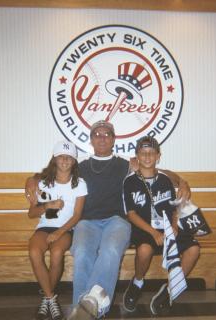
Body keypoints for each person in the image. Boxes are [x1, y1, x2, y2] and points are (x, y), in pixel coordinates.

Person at [25, 120, 191, 319]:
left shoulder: (126, 164)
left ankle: (92, 306)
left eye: (106, 134)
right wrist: (31, 180)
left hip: (117, 220)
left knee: (110, 250)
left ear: (113, 140)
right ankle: (83, 308)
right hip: (86, 221)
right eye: (97, 134)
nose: (102, 138)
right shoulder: (81, 166)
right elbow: (48, 174)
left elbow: (160, 172)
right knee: (82, 251)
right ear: (91, 139)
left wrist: (182, 181)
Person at [122, 136, 200, 316]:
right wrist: (153, 233)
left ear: (158, 155)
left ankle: (169, 290)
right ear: (136, 156)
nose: (147, 156)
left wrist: (173, 225)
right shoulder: (130, 181)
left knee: (194, 250)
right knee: (144, 250)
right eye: (143, 153)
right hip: (144, 229)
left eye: (151, 153)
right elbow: (131, 214)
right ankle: (137, 283)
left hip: (167, 227)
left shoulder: (165, 179)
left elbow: (173, 207)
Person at [27, 141, 87, 320]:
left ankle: (47, 300)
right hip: (44, 227)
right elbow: (32, 213)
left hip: (66, 229)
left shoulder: (79, 184)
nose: (65, 160)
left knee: (56, 253)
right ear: (54, 159)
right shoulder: (43, 183)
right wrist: (48, 205)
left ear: (74, 161)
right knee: (34, 252)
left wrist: (59, 232)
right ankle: (50, 298)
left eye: (69, 157)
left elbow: (77, 215)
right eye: (61, 156)